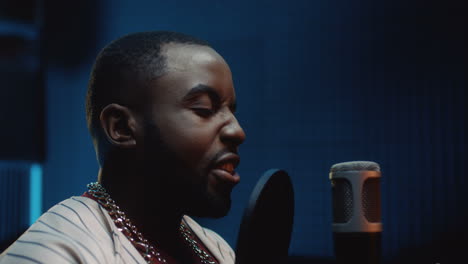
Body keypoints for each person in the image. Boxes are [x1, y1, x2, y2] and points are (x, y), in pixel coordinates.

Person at [0, 31, 246, 264]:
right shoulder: (55, 253)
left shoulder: (216, 248)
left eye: (231, 111)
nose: (237, 131)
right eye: (204, 109)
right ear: (121, 128)